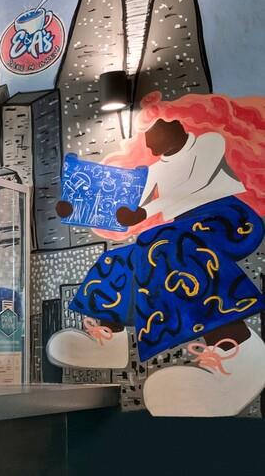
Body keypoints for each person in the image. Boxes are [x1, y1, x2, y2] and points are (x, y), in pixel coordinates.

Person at [47, 111, 265, 416]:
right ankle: (111, 338)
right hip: (181, 229)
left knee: (165, 244)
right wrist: (78, 206)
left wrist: (147, 212)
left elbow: (193, 184)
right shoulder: (155, 170)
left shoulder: (209, 144)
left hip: (228, 219)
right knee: (122, 256)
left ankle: (236, 348)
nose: (157, 152)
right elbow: (133, 207)